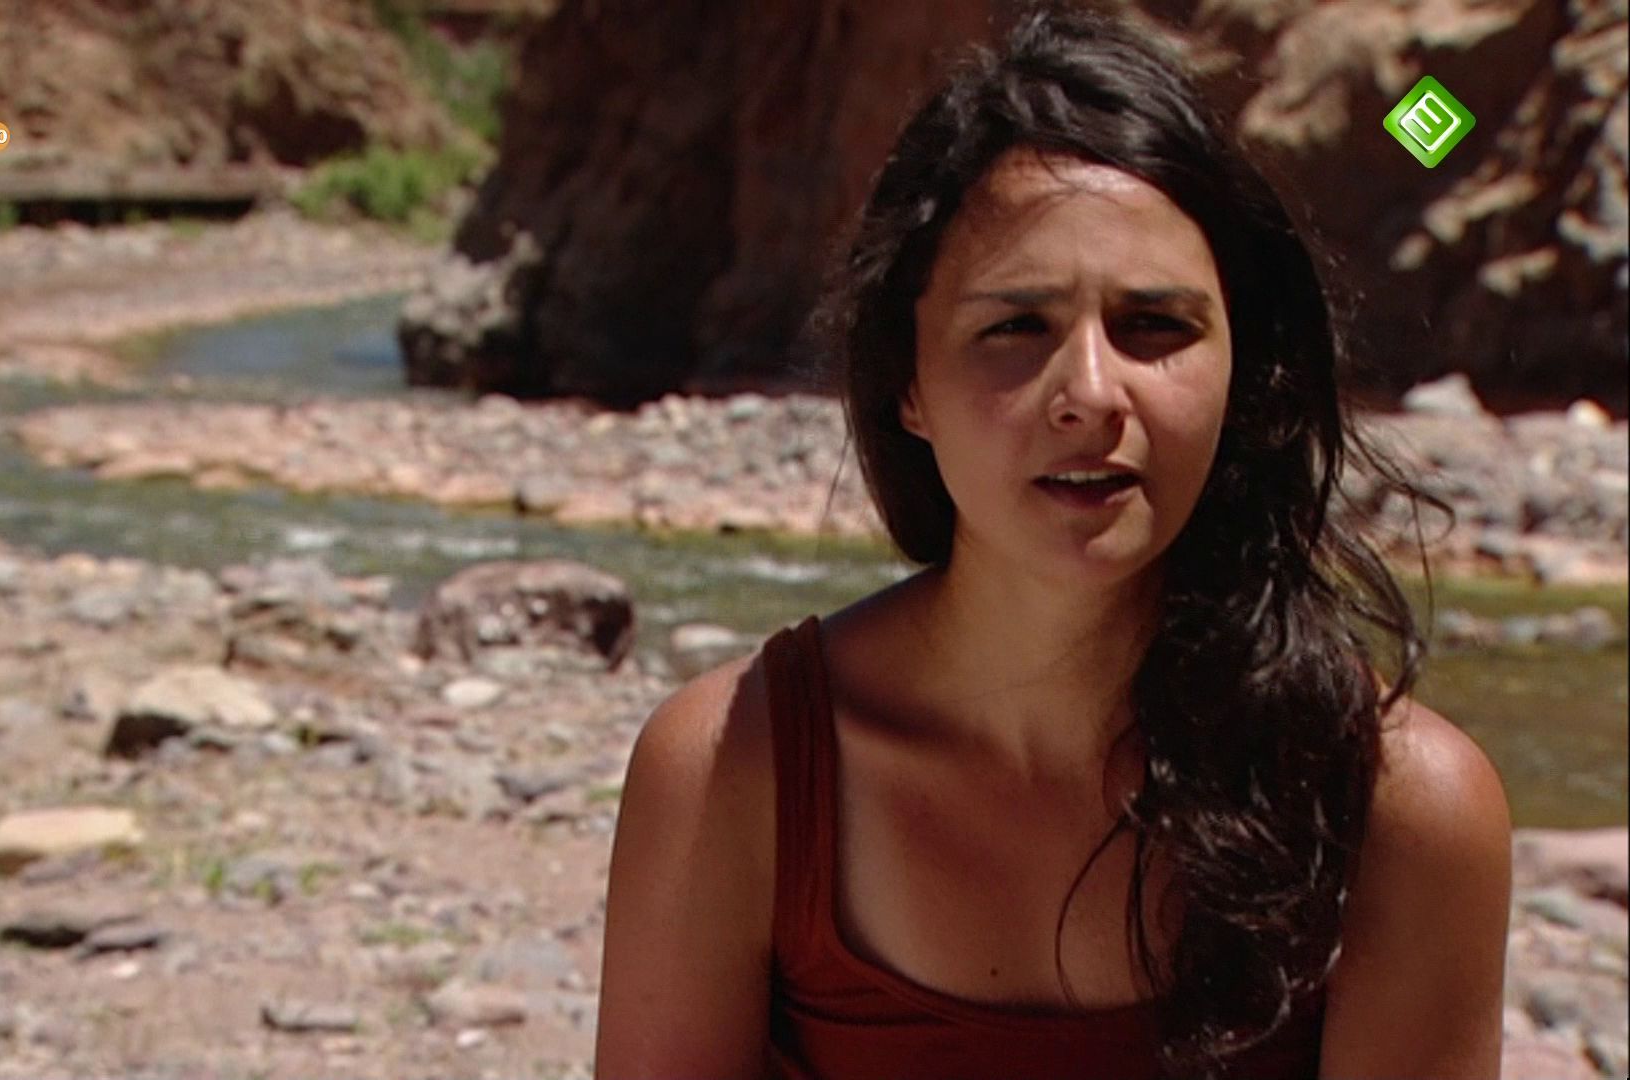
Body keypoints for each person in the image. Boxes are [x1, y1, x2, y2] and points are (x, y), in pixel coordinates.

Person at [593, 5, 1514, 1080]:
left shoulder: (1395, 812)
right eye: (1015, 327)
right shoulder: (734, 771)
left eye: (1155, 326)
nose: (1089, 393)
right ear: (906, 384)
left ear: (1243, 373)